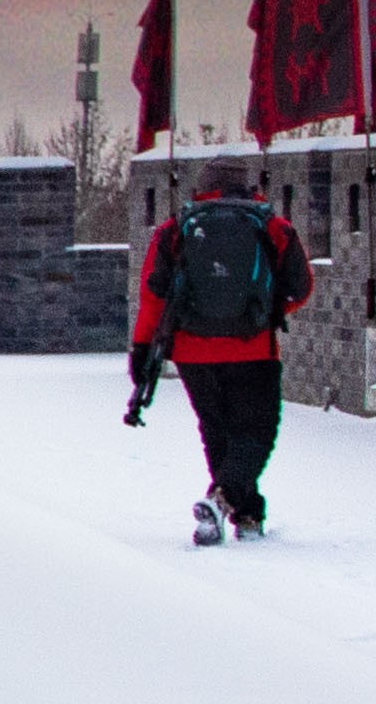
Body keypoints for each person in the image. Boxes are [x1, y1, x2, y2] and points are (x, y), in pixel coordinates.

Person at [129, 154, 314, 539]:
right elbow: (302, 286)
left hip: (192, 352)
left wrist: (142, 348)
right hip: (253, 348)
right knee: (258, 431)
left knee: (217, 429)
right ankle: (223, 500)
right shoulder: (273, 227)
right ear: (248, 186)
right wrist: (264, 312)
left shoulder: (175, 229)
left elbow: (153, 296)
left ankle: (245, 516)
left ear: (203, 185)